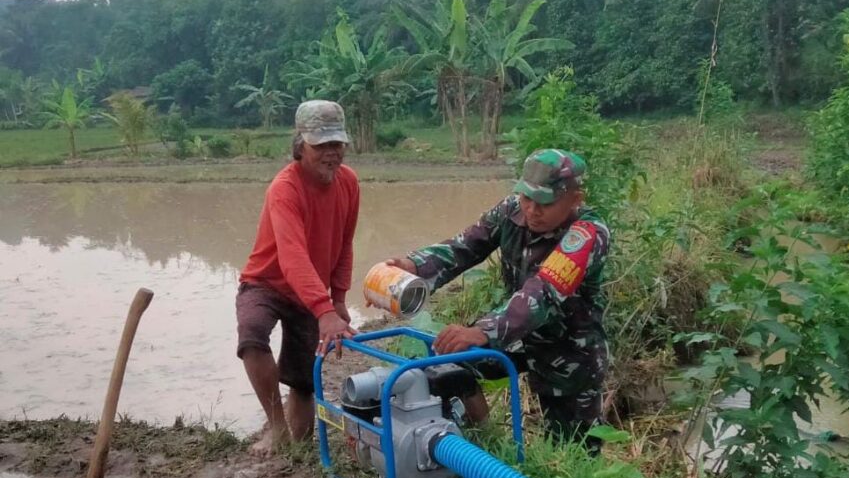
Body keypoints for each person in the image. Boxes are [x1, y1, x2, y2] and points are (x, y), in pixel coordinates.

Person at [389, 149, 610, 453]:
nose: (532, 210)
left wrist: (483, 330)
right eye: (526, 198)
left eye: (545, 202)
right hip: (517, 335)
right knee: (452, 365)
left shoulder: (587, 234)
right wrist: (414, 265)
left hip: (569, 352)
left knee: (574, 450)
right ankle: (489, 450)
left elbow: (542, 291)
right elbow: (463, 247)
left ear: (575, 198)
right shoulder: (511, 210)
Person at [236, 100, 360, 456]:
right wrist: (324, 310)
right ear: (301, 144)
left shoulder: (349, 184)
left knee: (304, 379)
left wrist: (337, 300)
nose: (331, 153)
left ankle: (300, 447)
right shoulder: (284, 188)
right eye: (321, 145)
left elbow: (344, 243)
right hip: (266, 283)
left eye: (336, 144)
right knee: (253, 334)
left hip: (309, 291)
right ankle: (276, 428)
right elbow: (292, 257)